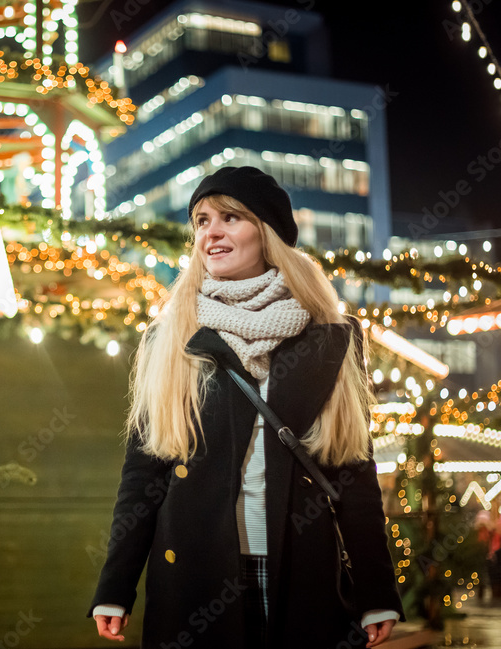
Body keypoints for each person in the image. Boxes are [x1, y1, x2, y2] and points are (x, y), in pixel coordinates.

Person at [88, 166, 404, 648]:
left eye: (230, 217)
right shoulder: (170, 337)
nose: (210, 232)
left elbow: (351, 471)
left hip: (303, 576)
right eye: (201, 221)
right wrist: (115, 587)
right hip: (195, 578)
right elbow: (143, 475)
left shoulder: (331, 339)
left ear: (268, 232)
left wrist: (377, 592)